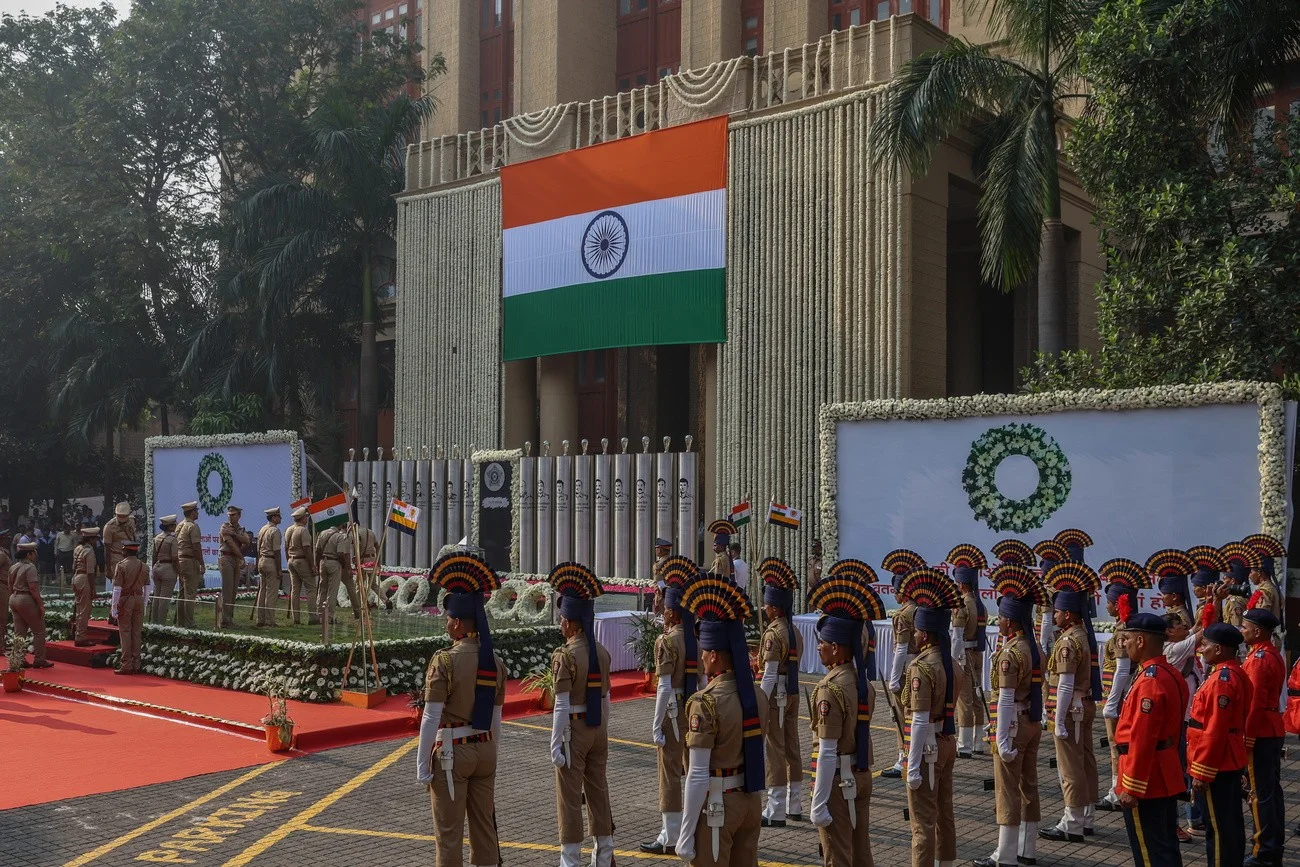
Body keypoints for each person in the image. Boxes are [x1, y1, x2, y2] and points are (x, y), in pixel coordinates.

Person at [415, 551, 506, 867]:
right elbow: (496, 719)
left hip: (454, 754)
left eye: (447, 618)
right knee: (484, 830)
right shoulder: (494, 661)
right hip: (485, 750)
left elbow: (431, 716)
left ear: (457, 623)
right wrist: (492, 752)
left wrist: (422, 765)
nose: (445, 624)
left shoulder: (445, 661)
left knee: (449, 835)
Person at [675, 574, 766, 867]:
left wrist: (685, 833)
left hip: (719, 806)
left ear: (714, 656)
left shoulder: (705, 702)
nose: (701, 657)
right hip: (750, 801)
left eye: (703, 652)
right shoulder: (757, 695)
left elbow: (698, 774)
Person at [807, 559, 883, 867]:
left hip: (839, 780)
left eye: (823, 643)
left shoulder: (831, 688)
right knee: (861, 853)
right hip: (860, 774)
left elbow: (827, 750)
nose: (820, 648)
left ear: (837, 648)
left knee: (838, 856)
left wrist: (819, 800)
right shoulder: (861, 681)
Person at [973, 564, 1048, 867]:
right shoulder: (1034, 646)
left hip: (1013, 723)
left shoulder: (1010, 654)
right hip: (1031, 720)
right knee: (1028, 786)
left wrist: (1001, 740)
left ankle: (1004, 855)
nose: (998, 621)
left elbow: (1004, 700)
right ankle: (1026, 849)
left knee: (1007, 790)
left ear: (1010, 621)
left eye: (1002, 616)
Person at [548, 562, 614, 867]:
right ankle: (604, 854)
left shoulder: (566, 655)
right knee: (599, 791)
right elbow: (606, 697)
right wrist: (603, 730)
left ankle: (570, 860)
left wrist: (555, 744)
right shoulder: (600, 651)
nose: (561, 625)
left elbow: (561, 704)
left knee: (570, 798)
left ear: (572, 624)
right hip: (597, 727)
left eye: (563, 620)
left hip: (574, 729)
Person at [899, 567, 963, 867]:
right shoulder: (951, 664)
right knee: (945, 813)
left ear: (924, 634)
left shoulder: (921, 668)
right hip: (947, 741)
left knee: (922, 821)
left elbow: (919, 719)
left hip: (926, 749)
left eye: (916, 630)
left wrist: (911, 767)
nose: (913, 634)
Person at [1115, 612, 1189, 866]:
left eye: (1127, 638)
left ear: (1141, 640)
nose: (1124, 644)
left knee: (1150, 852)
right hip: (1163, 770)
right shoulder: (1168, 673)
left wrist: (1132, 786)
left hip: (1147, 777)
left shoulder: (1150, 681)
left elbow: (1143, 737)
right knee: (1165, 846)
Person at [1039, 561, 1103, 843]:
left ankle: (1072, 822)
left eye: (1058, 611)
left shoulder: (1067, 641)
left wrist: (1058, 720)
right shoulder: (1080, 635)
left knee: (1071, 767)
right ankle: (1086, 817)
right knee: (1086, 760)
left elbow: (1064, 683)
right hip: (1083, 706)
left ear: (1068, 614)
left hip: (1071, 709)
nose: (1055, 615)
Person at [640, 556, 700, 855]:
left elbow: (663, 685)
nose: (661, 612)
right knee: (691, 771)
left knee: (669, 774)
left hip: (673, 710)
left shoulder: (667, 641)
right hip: (693, 710)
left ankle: (670, 835)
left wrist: (655, 723)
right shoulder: (695, 638)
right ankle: (691, 829)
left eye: (665, 608)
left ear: (672, 613)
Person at [1187, 622, 1251, 867]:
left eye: (1206, 645)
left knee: (1220, 828)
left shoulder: (1222, 679)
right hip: (1226, 758)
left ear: (1221, 649)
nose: (1202, 649)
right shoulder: (1232, 672)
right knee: (1229, 823)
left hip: (1217, 762)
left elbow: (1214, 729)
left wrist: (1202, 771)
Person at [1096, 557, 1147, 812]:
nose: (1106, 606)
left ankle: (1117, 789)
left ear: (1118, 604)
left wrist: (1112, 703)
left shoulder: (1122, 632)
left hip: (1118, 697)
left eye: (1109, 602)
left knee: (1117, 746)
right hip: (1121, 695)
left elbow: (1122, 669)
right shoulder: (1126, 627)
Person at [757, 557, 803, 826]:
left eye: (767, 604)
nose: (764, 608)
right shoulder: (795, 629)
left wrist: (761, 702)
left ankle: (775, 810)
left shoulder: (775, 634)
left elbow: (771, 673)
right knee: (792, 747)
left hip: (778, 696)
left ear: (775, 609)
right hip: (793, 692)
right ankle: (794, 804)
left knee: (775, 749)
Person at [1240, 608, 1286, 867]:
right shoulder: (1269, 653)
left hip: (1259, 730)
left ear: (1257, 631)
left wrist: (1247, 737)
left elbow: (1254, 703)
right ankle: (1272, 843)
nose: (1242, 631)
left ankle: (1264, 851)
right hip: (1270, 728)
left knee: (1260, 793)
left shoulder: (1258, 658)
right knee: (1271, 792)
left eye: (1245, 627)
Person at [880, 547, 925, 778]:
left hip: (907, 668)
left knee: (903, 715)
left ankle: (903, 758)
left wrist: (894, 680)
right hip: (922, 665)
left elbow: (900, 649)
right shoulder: (920, 609)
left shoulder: (902, 614)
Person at [947, 544, 988, 758]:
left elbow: (956, 637)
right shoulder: (980, 605)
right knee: (978, 696)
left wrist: (954, 662)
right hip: (977, 654)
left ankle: (963, 745)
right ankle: (978, 742)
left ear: (961, 584)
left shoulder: (962, 606)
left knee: (964, 699)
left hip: (964, 656)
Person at [8, 541, 52, 668]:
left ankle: (18, 659)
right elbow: (33, 588)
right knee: (39, 630)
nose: (35, 555)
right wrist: (40, 605)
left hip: (14, 598)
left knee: (19, 632)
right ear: (29, 554)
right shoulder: (30, 567)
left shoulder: (14, 566)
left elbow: (10, 585)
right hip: (26, 599)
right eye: (34, 552)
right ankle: (39, 659)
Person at [110, 540, 149, 675]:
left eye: (123, 550)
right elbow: (148, 587)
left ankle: (126, 664)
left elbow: (117, 589)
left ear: (126, 551)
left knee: (125, 632)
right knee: (137, 632)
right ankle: (137, 663)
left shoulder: (121, 566)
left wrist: (114, 608)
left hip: (126, 600)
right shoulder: (144, 566)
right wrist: (144, 603)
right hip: (139, 598)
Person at [316, 523, 363, 628]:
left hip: (323, 562)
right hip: (337, 563)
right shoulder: (342, 537)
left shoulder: (323, 533)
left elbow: (317, 550)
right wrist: (346, 567)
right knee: (334, 591)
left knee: (322, 589)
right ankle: (330, 616)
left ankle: (320, 614)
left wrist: (317, 564)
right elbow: (344, 554)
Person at [216, 505, 250, 629]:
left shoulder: (239, 529)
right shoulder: (224, 526)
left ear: (239, 515)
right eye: (229, 515)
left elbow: (247, 541)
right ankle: (225, 620)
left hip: (235, 559)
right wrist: (241, 557)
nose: (231, 517)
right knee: (227, 590)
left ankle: (229, 618)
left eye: (233, 514)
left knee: (234, 590)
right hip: (227, 558)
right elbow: (230, 544)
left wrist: (235, 535)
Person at [1033, 540, 1069, 654]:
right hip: (1053, 632)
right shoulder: (1059, 586)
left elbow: (1047, 620)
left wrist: (1043, 643)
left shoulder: (1048, 590)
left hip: (1048, 634)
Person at [102, 502, 137, 617]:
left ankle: (126, 612)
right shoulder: (109, 527)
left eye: (124, 516)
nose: (122, 519)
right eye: (120, 516)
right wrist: (107, 568)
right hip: (116, 557)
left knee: (130, 586)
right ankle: (113, 614)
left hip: (131, 556)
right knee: (118, 588)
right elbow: (106, 549)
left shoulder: (131, 521)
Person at [1241, 534, 1285, 626]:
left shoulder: (1264, 591)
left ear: (1259, 572)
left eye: (1251, 572)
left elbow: (1260, 620)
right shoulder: (1271, 587)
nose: (1249, 576)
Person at [284, 506, 318, 626]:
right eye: (306, 517)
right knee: (311, 589)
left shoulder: (289, 529)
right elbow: (307, 549)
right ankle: (313, 617)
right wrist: (312, 565)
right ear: (303, 518)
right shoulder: (303, 530)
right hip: (302, 560)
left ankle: (296, 618)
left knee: (295, 590)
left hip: (291, 560)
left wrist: (288, 559)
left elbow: (286, 547)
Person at [174, 502, 204, 629]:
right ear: (192, 512)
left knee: (182, 593)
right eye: (196, 511)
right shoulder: (193, 526)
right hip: (189, 560)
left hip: (180, 560)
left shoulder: (180, 525)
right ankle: (189, 622)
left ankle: (180, 621)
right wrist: (201, 563)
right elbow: (196, 547)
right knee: (190, 593)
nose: (197, 513)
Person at [254, 507, 283, 627]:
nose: (280, 518)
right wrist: (279, 569)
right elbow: (276, 552)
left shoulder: (262, 529)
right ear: (274, 517)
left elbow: (258, 548)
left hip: (262, 560)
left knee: (262, 591)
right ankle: (270, 620)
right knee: (271, 592)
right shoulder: (275, 531)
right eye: (279, 516)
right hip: (271, 561)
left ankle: (260, 619)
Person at [71, 527, 99, 645]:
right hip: (84, 578)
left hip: (76, 577)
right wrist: (93, 588)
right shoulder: (89, 550)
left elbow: (73, 567)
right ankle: (81, 636)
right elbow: (90, 572)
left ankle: (78, 632)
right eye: (95, 539)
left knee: (79, 608)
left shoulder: (78, 548)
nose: (96, 541)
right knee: (85, 610)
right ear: (91, 539)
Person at [1188, 546, 1227, 630]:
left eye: (1195, 586)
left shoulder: (1206, 608)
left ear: (1205, 588)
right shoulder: (1203, 606)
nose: (1193, 590)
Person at [149, 516, 179, 625]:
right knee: (164, 598)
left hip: (157, 566)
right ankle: (161, 624)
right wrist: (178, 570)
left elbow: (153, 556)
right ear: (170, 526)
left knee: (156, 596)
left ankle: (154, 621)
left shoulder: (157, 538)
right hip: (168, 567)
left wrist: (153, 568)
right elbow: (175, 558)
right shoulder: (172, 540)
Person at [651, 537, 673, 614]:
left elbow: (659, 582)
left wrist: (660, 595)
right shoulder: (672, 561)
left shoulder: (659, 564)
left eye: (656, 548)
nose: (656, 550)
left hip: (663, 596)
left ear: (660, 549)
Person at [0, 529, 11, 640]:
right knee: (2, 618)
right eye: (7, 538)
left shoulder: (4, 553)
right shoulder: (2, 555)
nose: (9, 540)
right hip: (1, 586)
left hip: (4, 586)